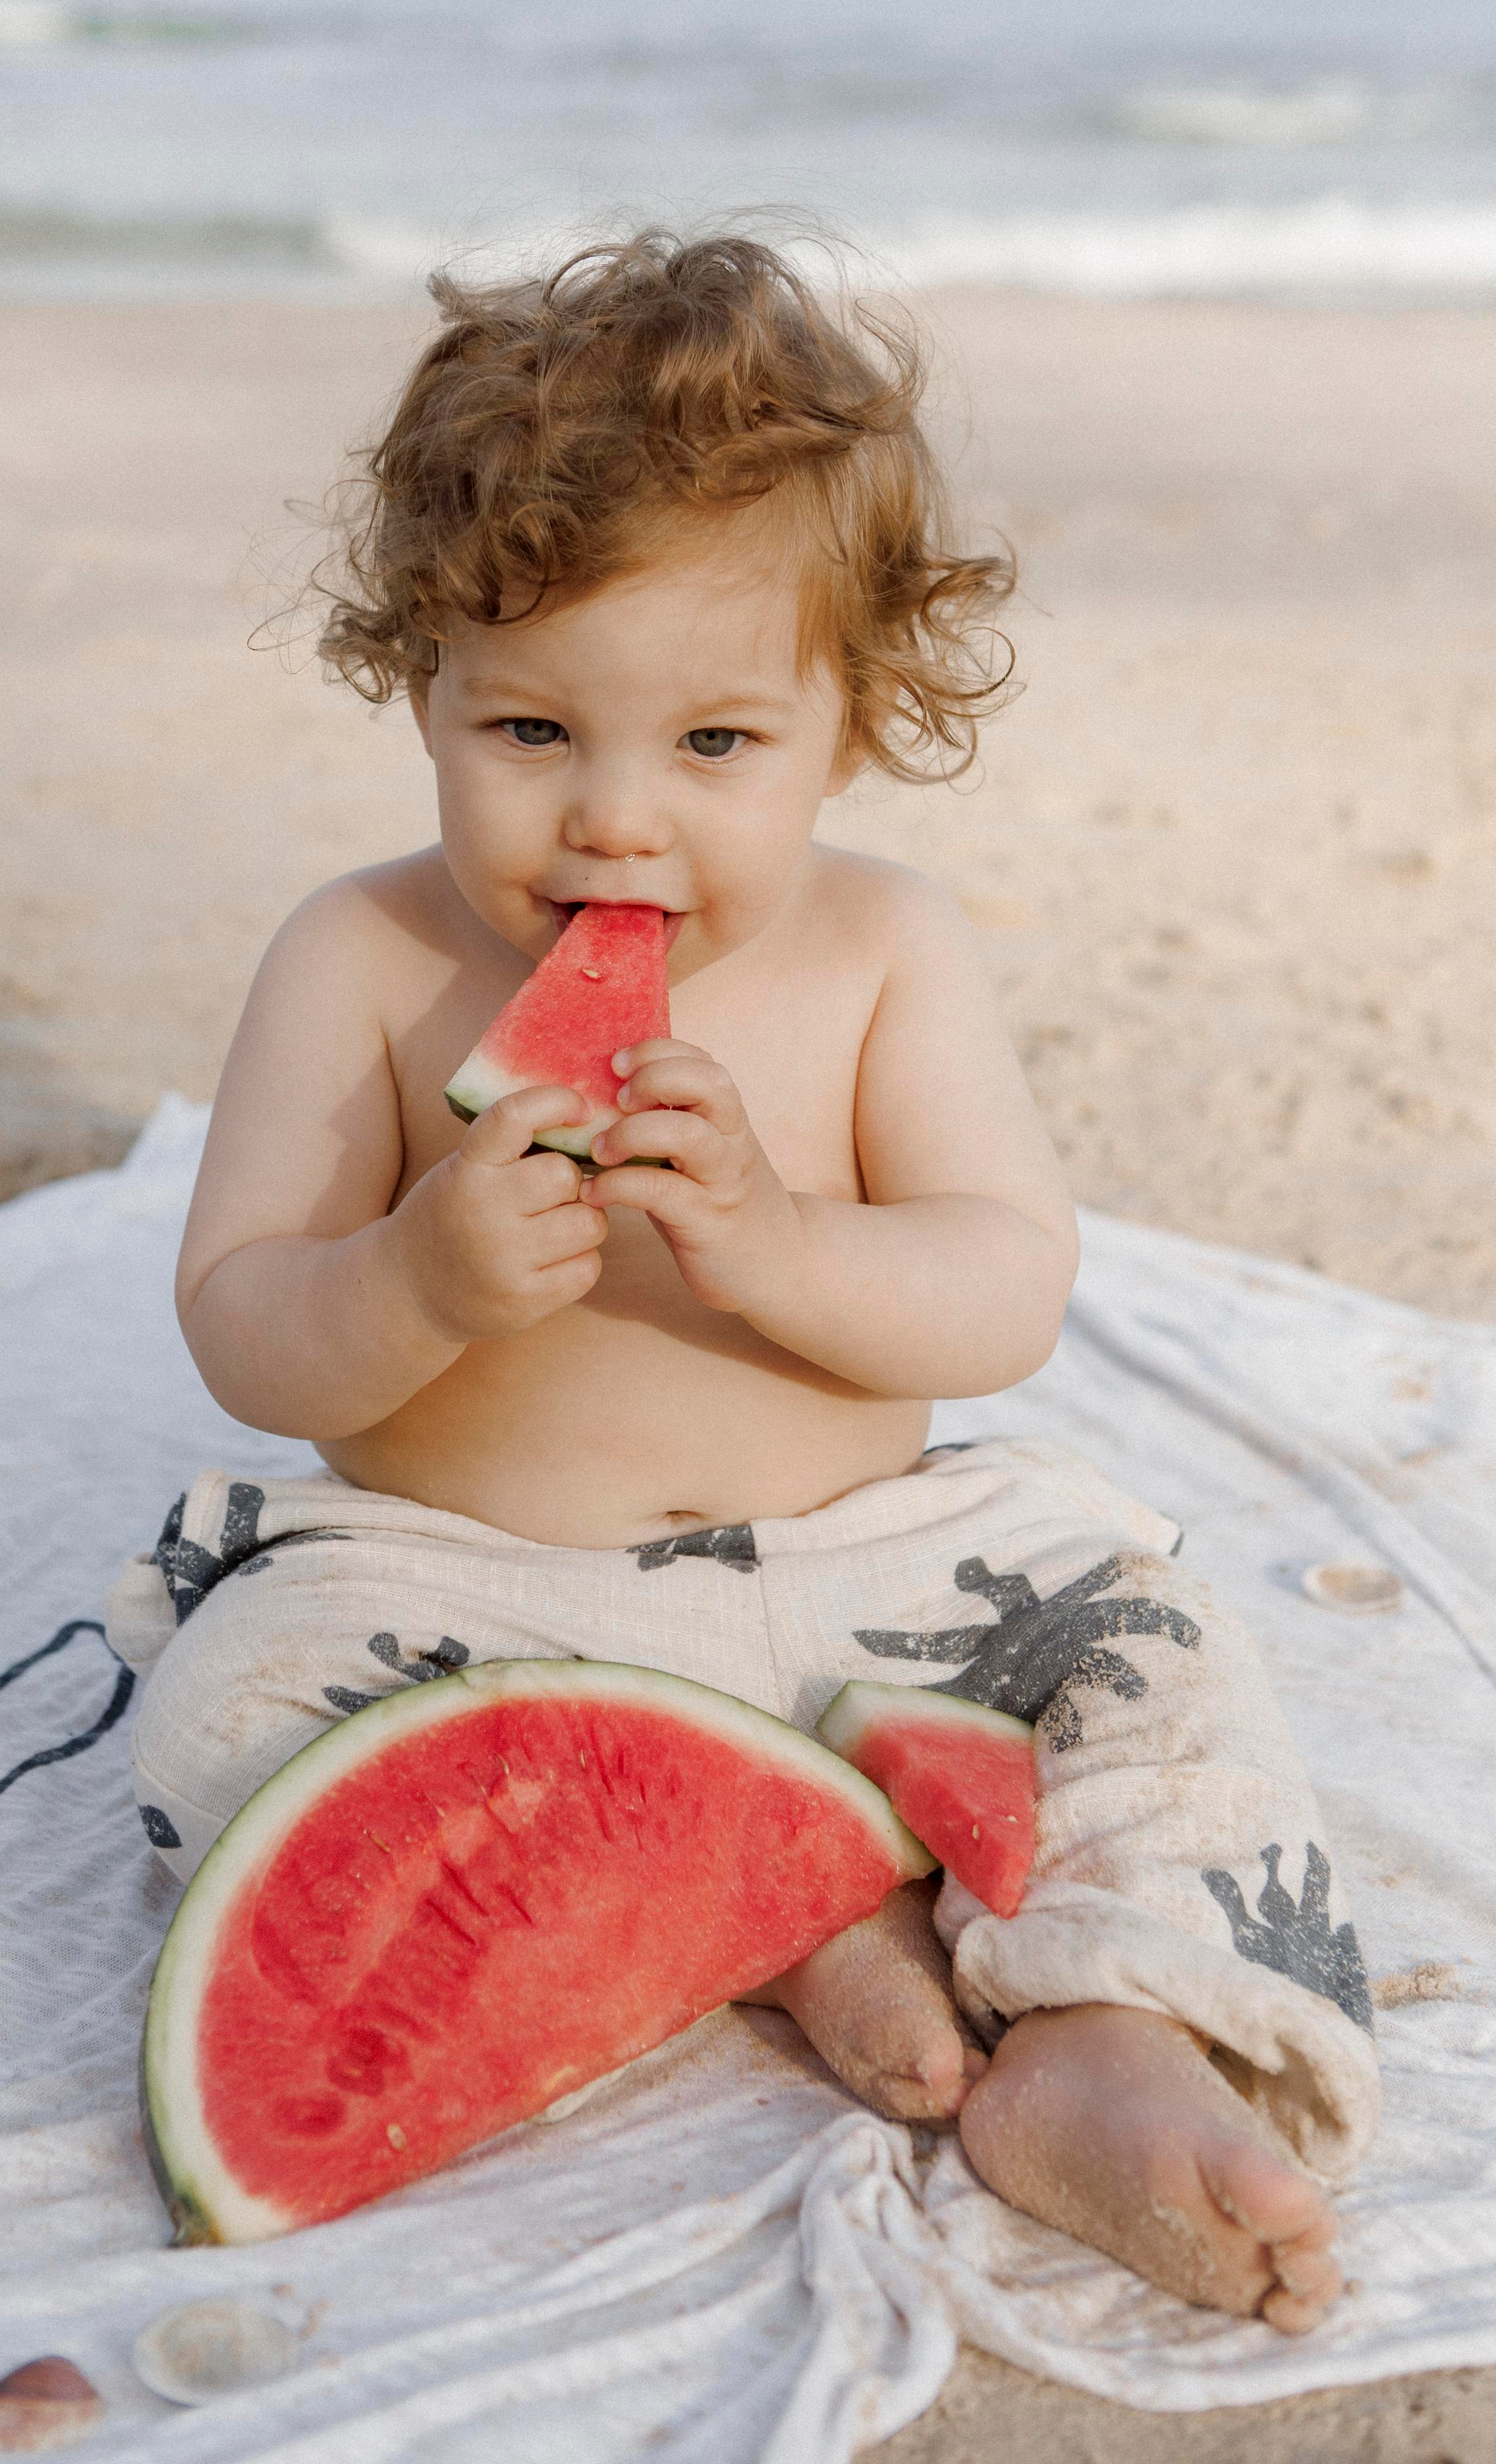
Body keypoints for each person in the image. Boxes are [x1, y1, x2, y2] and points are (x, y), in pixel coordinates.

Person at [106, 230, 1377, 2327]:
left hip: (895, 1569)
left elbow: (1004, 1292)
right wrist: (413, 1280)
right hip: (479, 1591)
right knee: (221, 1709)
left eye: (713, 746)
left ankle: (1103, 2036)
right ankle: (796, 1915)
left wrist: (787, 1247)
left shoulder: (887, 952)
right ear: (412, 680)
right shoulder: (359, 957)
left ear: (848, 726)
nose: (615, 825)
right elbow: (244, 1321)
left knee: (1164, 1654)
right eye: (528, 728)